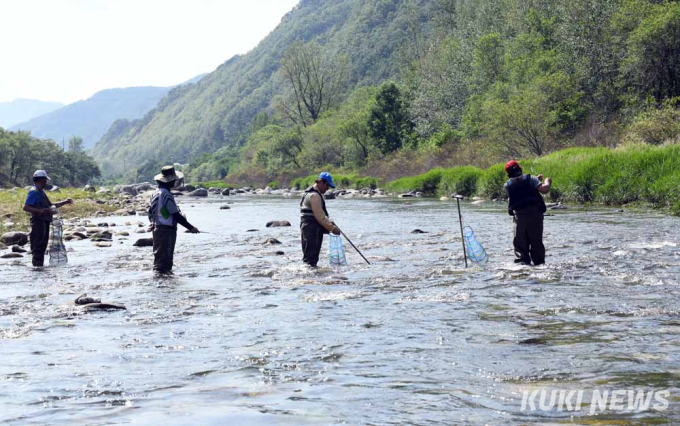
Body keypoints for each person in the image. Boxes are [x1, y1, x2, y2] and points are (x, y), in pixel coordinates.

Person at [148, 166, 199, 275]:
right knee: (165, 262)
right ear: (170, 181)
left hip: (157, 230)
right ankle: (164, 286)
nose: (175, 182)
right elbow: (175, 215)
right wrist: (191, 228)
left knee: (159, 260)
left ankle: (161, 284)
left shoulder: (155, 193)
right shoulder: (166, 194)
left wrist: (152, 223)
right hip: (167, 231)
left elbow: (150, 212)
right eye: (174, 180)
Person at [504, 160, 552, 266]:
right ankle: (539, 265)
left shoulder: (507, 185)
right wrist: (548, 181)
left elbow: (520, 192)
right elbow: (544, 189)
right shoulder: (531, 179)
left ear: (508, 175)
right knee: (536, 243)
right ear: (520, 169)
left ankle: (523, 269)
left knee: (520, 245)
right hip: (535, 217)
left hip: (519, 218)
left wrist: (535, 181)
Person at [22, 170, 73, 267]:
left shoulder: (40, 192)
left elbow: (50, 206)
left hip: (44, 223)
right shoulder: (34, 192)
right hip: (38, 224)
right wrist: (41, 211)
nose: (46, 182)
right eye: (45, 180)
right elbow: (26, 207)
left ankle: (39, 270)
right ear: (41, 180)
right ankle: (37, 270)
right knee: (38, 248)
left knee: (42, 247)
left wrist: (65, 202)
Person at [300, 172, 341, 267]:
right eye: (327, 185)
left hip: (307, 228)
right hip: (311, 230)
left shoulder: (309, 192)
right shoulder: (315, 196)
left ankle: (310, 277)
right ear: (321, 182)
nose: (328, 189)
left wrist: (329, 222)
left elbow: (320, 215)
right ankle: (310, 278)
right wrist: (333, 228)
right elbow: (320, 218)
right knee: (311, 258)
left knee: (309, 257)